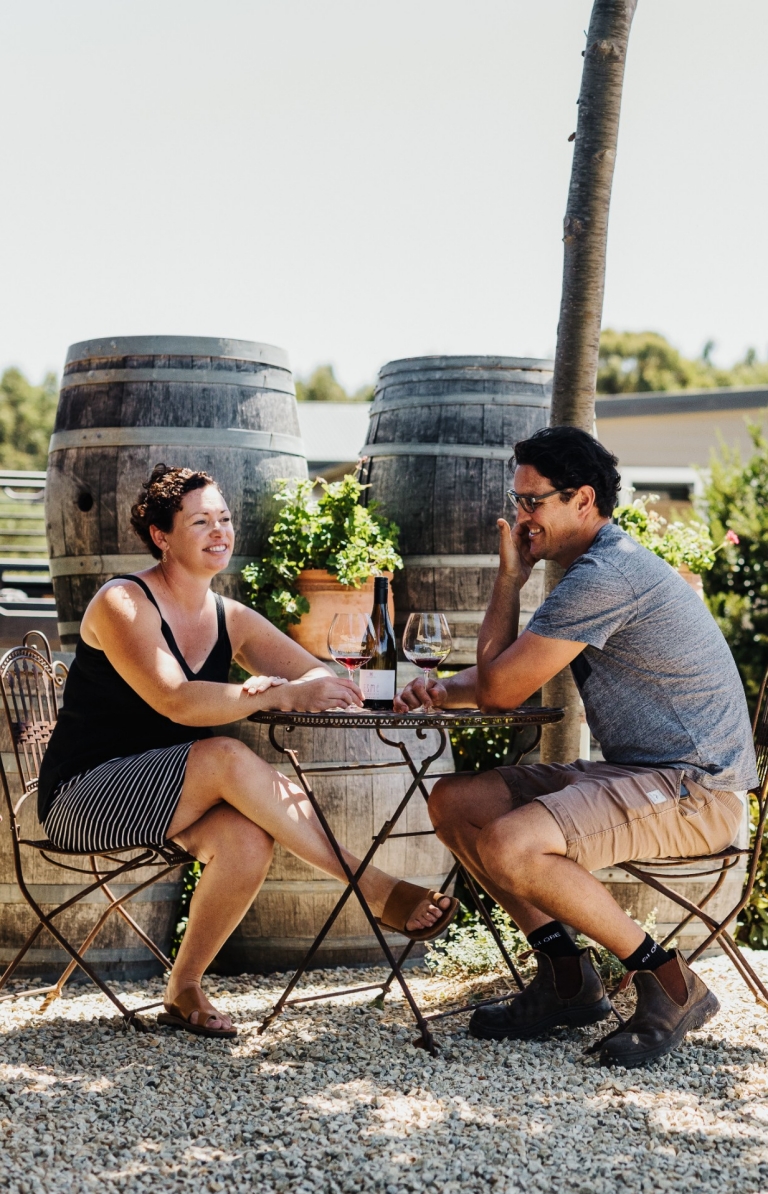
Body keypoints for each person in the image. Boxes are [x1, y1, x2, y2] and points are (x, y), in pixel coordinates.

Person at [38, 463, 457, 1037]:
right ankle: (375, 888)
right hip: (85, 796)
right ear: (162, 536)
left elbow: (321, 677)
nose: (220, 532)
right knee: (226, 755)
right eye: (201, 521)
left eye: (225, 519)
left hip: (171, 798)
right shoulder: (124, 603)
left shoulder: (227, 617)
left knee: (248, 838)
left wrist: (374, 695)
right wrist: (268, 695)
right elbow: (177, 701)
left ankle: (183, 986)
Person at [395, 426, 757, 1067]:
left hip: (697, 790)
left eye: (533, 502)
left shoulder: (606, 572)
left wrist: (509, 578)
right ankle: (568, 978)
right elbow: (501, 677)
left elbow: (503, 690)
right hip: (640, 774)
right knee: (457, 800)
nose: (520, 516)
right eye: (518, 500)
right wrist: (439, 691)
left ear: (582, 499)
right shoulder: (597, 567)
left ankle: (670, 981)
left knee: (511, 842)